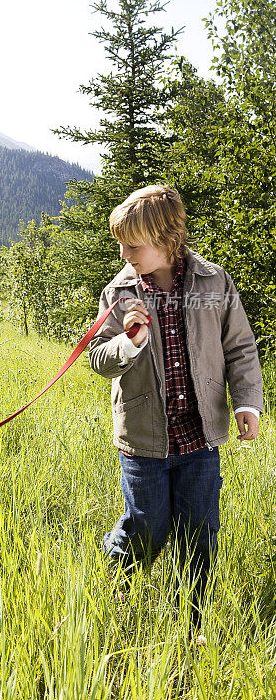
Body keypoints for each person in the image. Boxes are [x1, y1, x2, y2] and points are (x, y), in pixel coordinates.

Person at [89, 185, 263, 626]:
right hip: (144, 439)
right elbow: (99, 359)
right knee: (148, 527)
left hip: (200, 437)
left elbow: (240, 348)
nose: (124, 253)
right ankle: (116, 577)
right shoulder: (119, 292)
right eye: (120, 245)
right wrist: (129, 344)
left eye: (133, 245)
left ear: (167, 239)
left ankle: (192, 619)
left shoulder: (214, 282)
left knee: (200, 533)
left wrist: (248, 403)